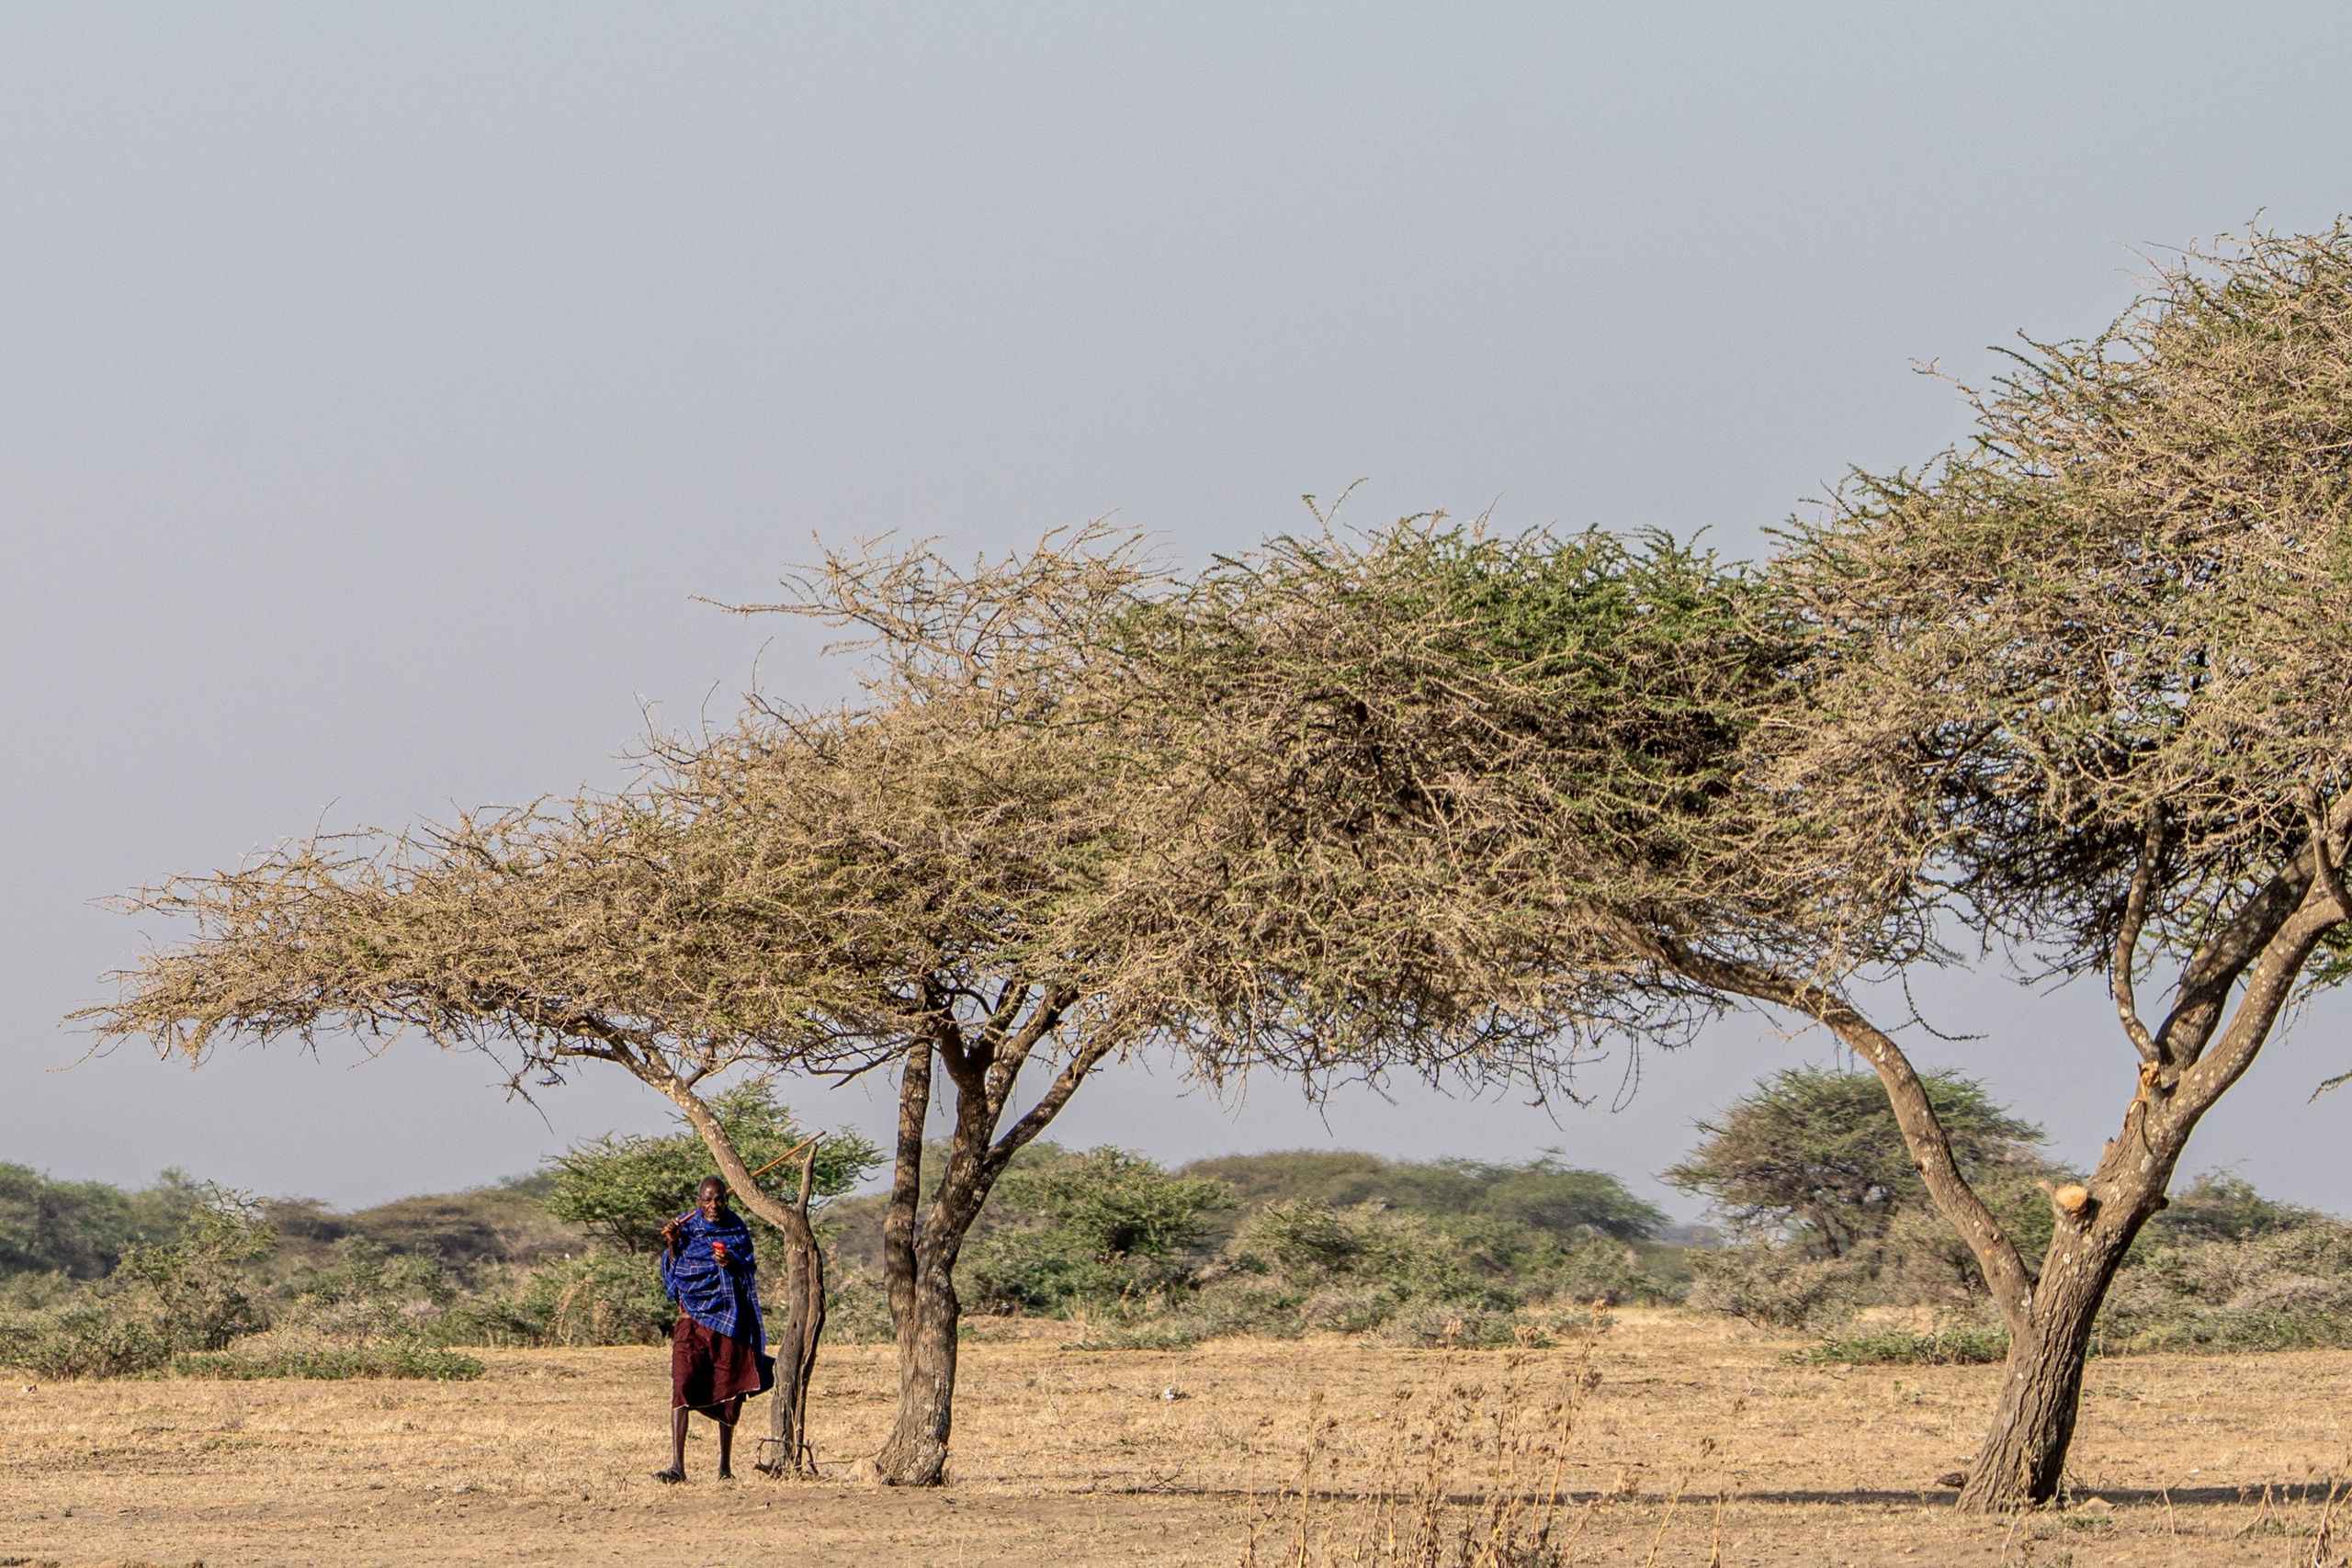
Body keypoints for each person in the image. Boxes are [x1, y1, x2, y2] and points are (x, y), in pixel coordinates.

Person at [651, 1177, 775, 1483]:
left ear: (726, 1200)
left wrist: (730, 1260)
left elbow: (748, 1268)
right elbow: (673, 1273)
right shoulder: (685, 1228)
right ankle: (677, 1467)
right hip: (690, 1318)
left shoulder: (736, 1228)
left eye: (718, 1199)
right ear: (698, 1202)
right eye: (707, 1200)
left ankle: (725, 1468)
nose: (714, 1205)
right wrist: (672, 1242)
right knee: (682, 1384)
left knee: (730, 1393)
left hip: (728, 1318)